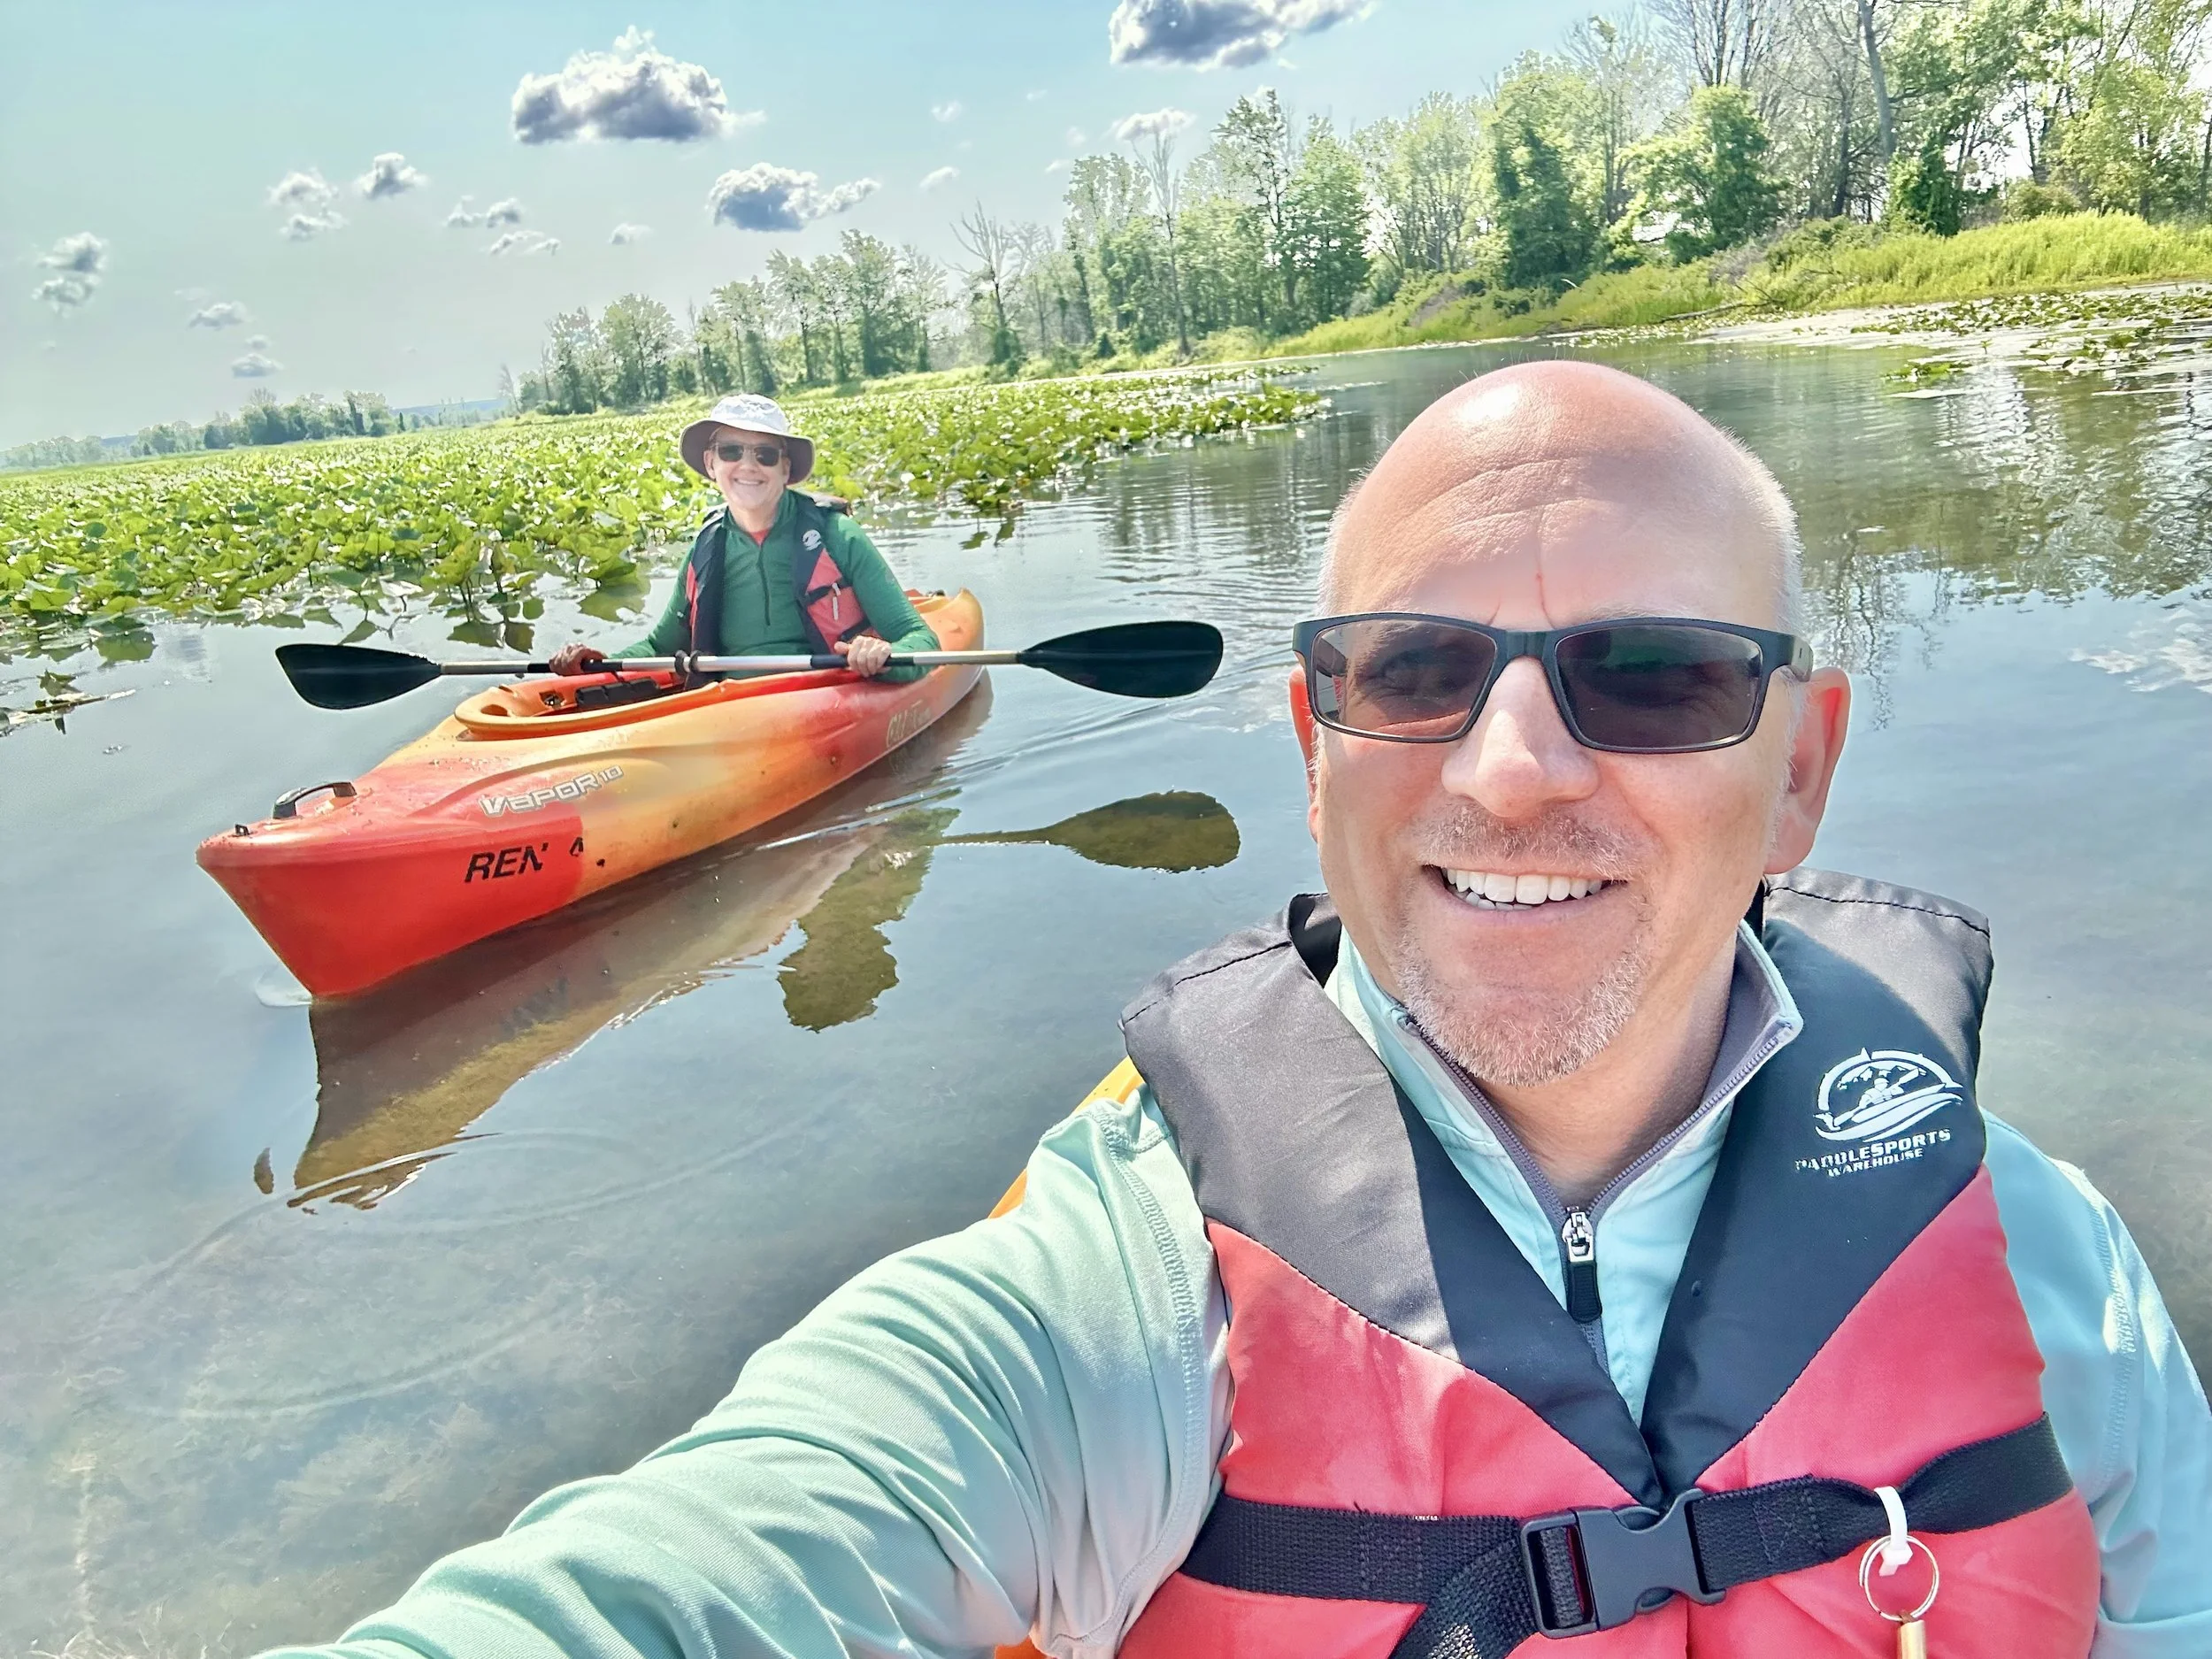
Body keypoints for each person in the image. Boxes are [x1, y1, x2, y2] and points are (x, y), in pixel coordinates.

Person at [268, 363, 2210, 1659]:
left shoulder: (2050, 1272)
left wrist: (853, 647)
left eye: (1652, 673)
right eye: (1415, 668)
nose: (1514, 765)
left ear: (1801, 772)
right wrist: (673, 662)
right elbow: (728, 1557)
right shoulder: (1118, 1294)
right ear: (1309, 745)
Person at [546, 393, 939, 684]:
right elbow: (660, 647)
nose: (748, 466)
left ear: (786, 469)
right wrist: (602, 662)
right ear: (711, 463)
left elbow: (922, 639)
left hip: (822, 692)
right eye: (731, 451)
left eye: (765, 455)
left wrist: (886, 655)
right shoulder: (707, 546)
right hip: (731, 706)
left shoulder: (837, 535)